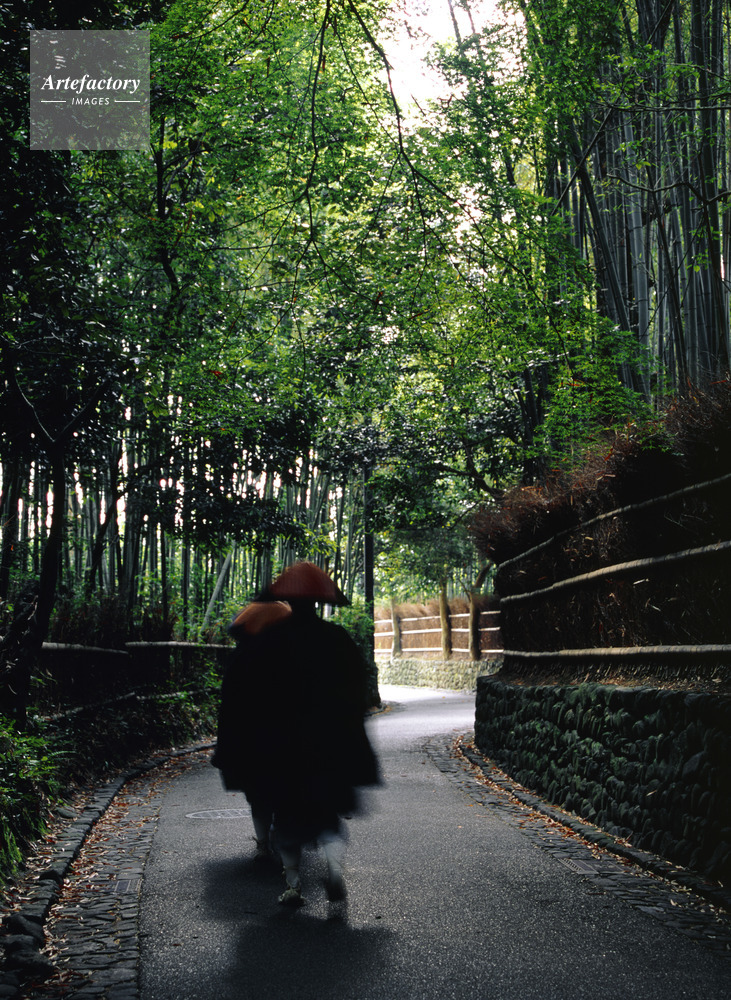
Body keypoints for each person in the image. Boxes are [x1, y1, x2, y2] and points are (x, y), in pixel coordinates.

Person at [213, 562, 380, 906]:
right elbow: (356, 689)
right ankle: (334, 869)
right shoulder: (336, 638)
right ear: (318, 602)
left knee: (286, 814)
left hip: (282, 744)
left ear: (288, 601)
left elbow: (244, 693)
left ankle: (292, 884)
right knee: (326, 813)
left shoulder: (268, 641)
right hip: (328, 744)